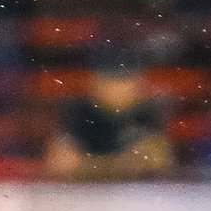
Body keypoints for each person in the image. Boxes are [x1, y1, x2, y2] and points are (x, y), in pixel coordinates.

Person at [45, 61, 174, 179]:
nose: (118, 89)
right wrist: (116, 166)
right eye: (112, 81)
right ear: (96, 83)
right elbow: (62, 163)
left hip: (135, 195)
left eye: (124, 81)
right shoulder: (78, 112)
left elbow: (157, 161)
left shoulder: (147, 113)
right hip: (85, 192)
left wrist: (92, 165)